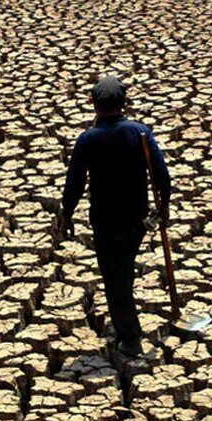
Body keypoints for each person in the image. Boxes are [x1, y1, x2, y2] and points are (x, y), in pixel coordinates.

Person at [60, 76, 170, 356]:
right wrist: (164, 206)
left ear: (94, 104)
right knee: (123, 268)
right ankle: (124, 319)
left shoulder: (87, 139)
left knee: (115, 276)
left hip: (106, 220)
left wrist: (67, 215)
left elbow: (74, 182)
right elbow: (161, 175)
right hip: (137, 219)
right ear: (124, 102)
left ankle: (130, 337)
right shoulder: (140, 132)